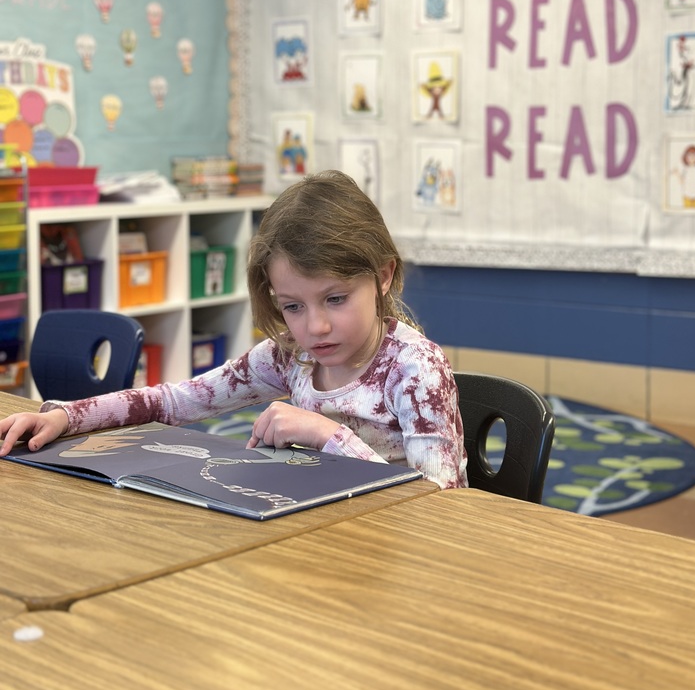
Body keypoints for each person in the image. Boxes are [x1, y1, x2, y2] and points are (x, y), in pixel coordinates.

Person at [0, 170, 467, 489]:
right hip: (322, 536)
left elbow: (441, 502)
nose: (315, 326)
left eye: (336, 298)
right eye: (292, 306)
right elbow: (175, 400)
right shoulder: (290, 356)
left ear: (383, 275)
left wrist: (329, 435)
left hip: (397, 558)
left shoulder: (413, 368)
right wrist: (65, 417)